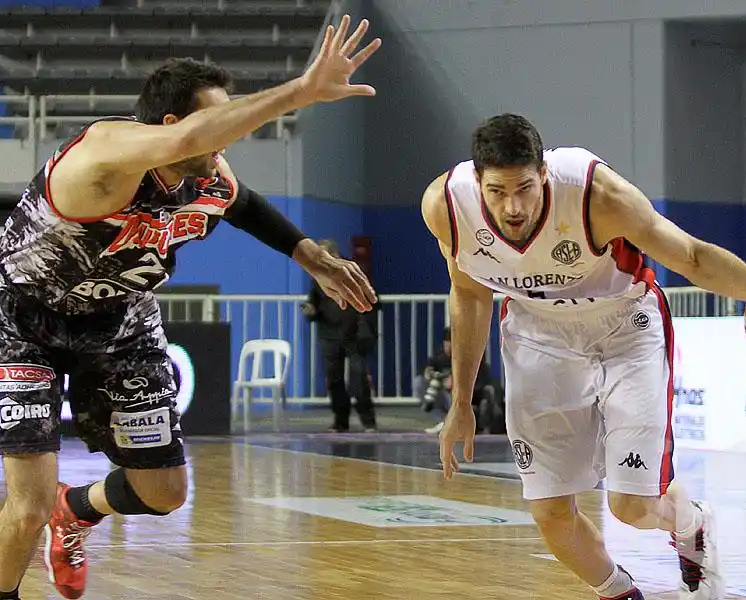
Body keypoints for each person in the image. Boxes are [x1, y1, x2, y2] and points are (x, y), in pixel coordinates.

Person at [0, 15, 380, 600]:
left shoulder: (207, 170)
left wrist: (310, 255)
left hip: (122, 323)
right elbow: (183, 143)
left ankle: (74, 510)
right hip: (25, 321)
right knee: (23, 506)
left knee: (165, 492)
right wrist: (301, 92)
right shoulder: (105, 151)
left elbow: (243, 203)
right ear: (175, 123)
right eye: (214, 122)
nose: (225, 141)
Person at [421, 114, 746, 600]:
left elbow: (691, 257)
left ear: (544, 174)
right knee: (549, 512)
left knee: (632, 506)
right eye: (498, 191)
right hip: (537, 337)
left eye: (524, 188)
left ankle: (690, 524)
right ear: (478, 182)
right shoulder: (445, 207)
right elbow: (468, 295)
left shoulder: (596, 196)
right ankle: (618, 592)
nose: (512, 206)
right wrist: (461, 400)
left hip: (624, 328)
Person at [302, 239, 378, 432]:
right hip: (329, 334)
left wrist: (366, 325)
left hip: (353, 334)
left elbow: (372, 300)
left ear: (335, 255)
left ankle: (368, 421)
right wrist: (310, 310)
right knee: (334, 379)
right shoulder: (318, 278)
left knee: (359, 378)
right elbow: (314, 302)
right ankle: (340, 420)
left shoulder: (351, 272)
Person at [414, 326, 494, 434]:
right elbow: (427, 370)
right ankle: (445, 422)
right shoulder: (440, 358)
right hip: (448, 400)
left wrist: (458, 383)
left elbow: (483, 383)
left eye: (452, 343)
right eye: (446, 343)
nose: (449, 347)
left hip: (468, 402)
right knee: (419, 382)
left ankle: (465, 424)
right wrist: (433, 376)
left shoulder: (473, 359)